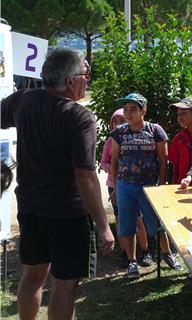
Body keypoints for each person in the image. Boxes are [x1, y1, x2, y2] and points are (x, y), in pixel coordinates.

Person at [1, 48, 114, 319]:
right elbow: (85, 176)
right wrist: (103, 226)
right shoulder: (79, 117)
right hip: (67, 213)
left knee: (32, 277)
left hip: (30, 207)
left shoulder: (22, 100)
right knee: (65, 284)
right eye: (85, 74)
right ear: (70, 81)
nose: (88, 79)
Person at [110, 93, 180, 278]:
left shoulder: (155, 130)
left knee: (156, 224)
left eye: (133, 109)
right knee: (127, 224)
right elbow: (115, 161)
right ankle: (132, 262)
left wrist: (162, 186)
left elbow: (163, 161)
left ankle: (167, 255)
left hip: (149, 187)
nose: (128, 113)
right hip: (125, 185)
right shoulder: (119, 133)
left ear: (144, 110)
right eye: (126, 109)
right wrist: (115, 189)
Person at [101, 108, 152, 267]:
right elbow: (104, 162)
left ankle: (145, 251)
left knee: (138, 219)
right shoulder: (110, 141)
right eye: (115, 121)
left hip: (133, 186)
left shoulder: (135, 138)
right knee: (120, 220)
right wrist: (114, 169)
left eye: (121, 121)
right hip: (114, 185)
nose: (118, 124)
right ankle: (126, 254)